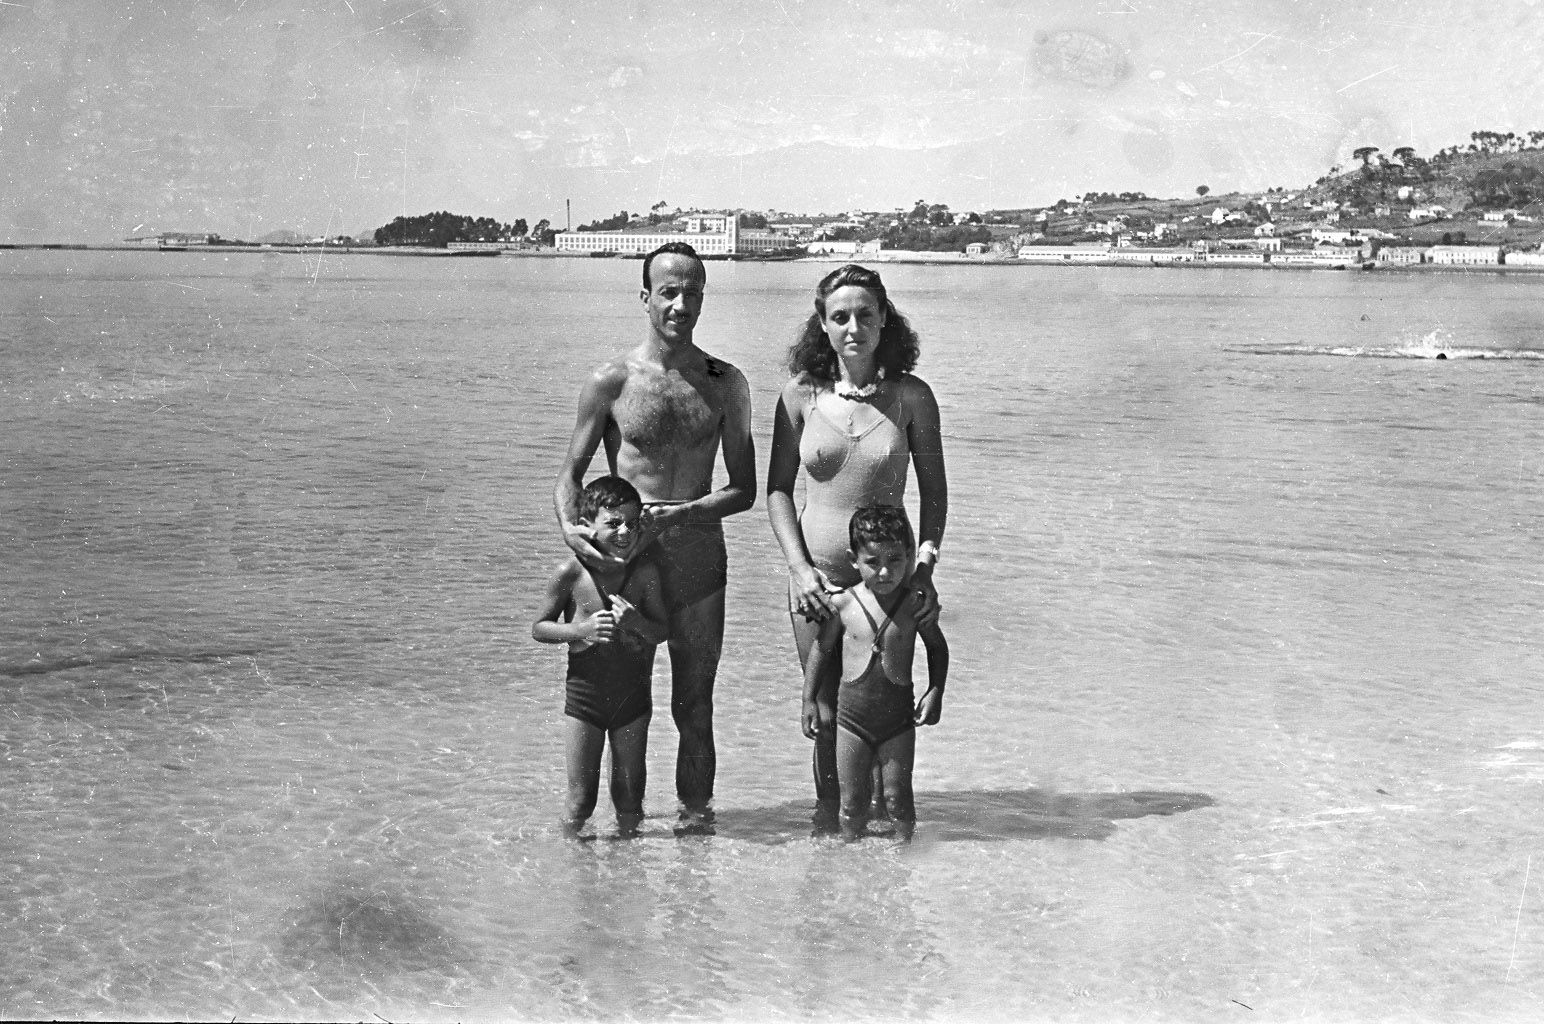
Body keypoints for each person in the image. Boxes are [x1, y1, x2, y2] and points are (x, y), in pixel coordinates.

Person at [554, 241, 756, 826]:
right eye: (668, 292)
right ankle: (624, 842)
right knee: (618, 707)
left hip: (697, 558)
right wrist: (574, 534)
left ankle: (696, 831)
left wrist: (679, 514)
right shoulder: (611, 381)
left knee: (695, 705)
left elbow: (743, 488)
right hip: (626, 562)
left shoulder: (726, 383)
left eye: (692, 292)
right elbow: (569, 476)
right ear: (645, 297)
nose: (680, 304)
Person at [767, 264, 947, 811]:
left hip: (890, 580)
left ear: (884, 319)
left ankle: (880, 846)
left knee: (884, 703)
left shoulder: (912, 397)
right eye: (839, 316)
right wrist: (800, 569)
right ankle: (833, 836)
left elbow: (935, 495)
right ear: (821, 324)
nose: (853, 326)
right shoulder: (799, 396)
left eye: (865, 314)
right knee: (824, 710)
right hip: (817, 583)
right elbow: (777, 491)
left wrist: (923, 568)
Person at [800, 506, 948, 840]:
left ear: (909, 556)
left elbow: (938, 648)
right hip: (851, 721)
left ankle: (901, 866)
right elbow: (821, 651)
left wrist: (935, 691)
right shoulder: (843, 604)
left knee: (899, 802)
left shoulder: (914, 605)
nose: (884, 572)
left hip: (897, 722)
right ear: (854, 559)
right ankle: (853, 869)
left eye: (895, 560)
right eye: (873, 562)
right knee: (851, 804)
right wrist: (808, 699)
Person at [533, 476, 669, 837]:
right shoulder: (572, 573)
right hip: (585, 702)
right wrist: (581, 631)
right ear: (586, 527)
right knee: (581, 800)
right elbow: (540, 628)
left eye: (632, 523)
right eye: (613, 523)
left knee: (629, 800)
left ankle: (628, 875)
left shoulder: (644, 574)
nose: (624, 532)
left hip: (633, 702)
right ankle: (573, 871)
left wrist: (637, 621)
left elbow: (662, 631)